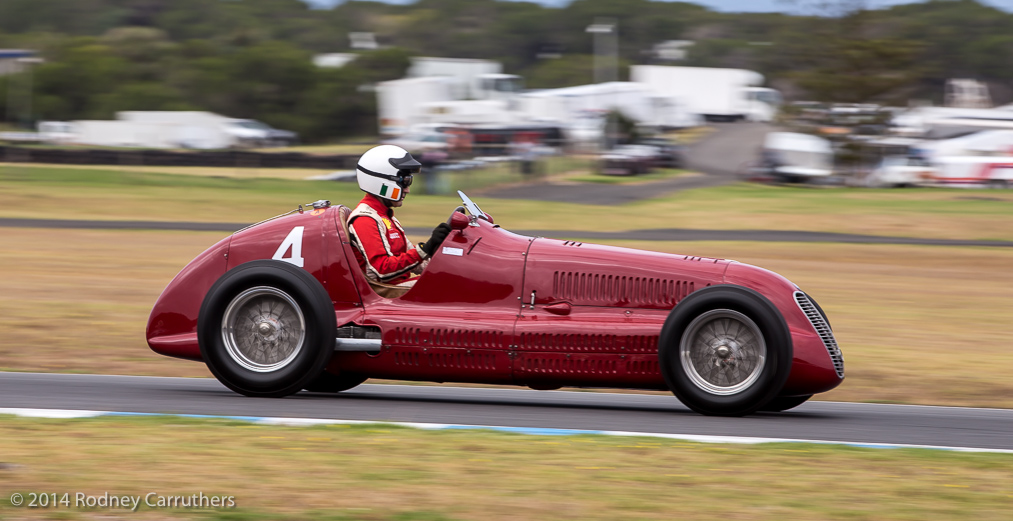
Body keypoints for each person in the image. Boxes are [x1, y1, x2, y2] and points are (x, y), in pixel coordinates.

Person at [347, 145, 451, 288]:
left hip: (398, 288)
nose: (407, 190)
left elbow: (413, 258)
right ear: (381, 182)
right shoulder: (365, 219)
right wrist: (425, 249)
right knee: (447, 287)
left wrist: (440, 255)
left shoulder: (386, 216)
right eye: (404, 181)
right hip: (384, 293)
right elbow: (383, 270)